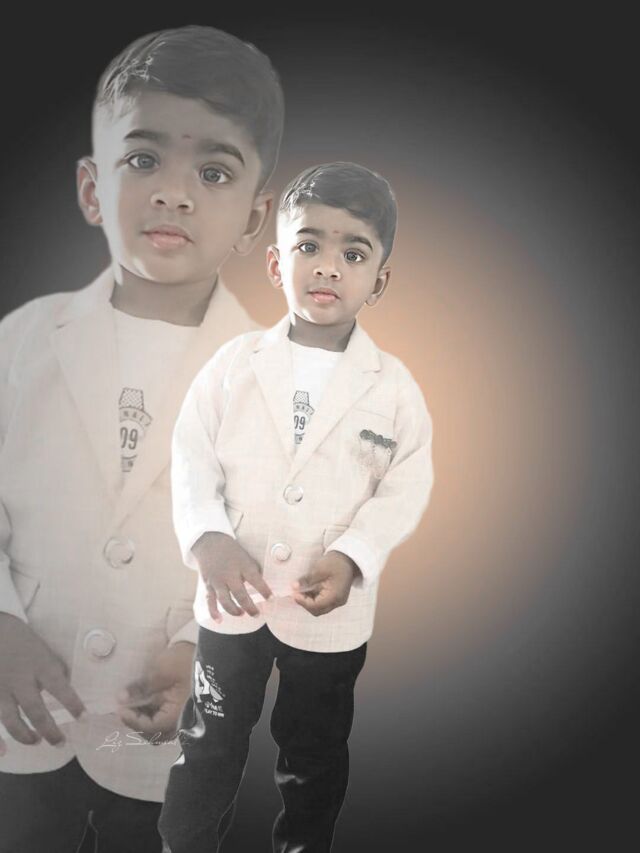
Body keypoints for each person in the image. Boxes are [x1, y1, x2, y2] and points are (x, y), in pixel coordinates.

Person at [0, 24, 284, 853]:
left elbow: (276, 540)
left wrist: (201, 650)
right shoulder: (21, 339)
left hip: (165, 734)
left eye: (214, 172)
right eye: (144, 159)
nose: (175, 193)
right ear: (92, 189)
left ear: (254, 218)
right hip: (20, 717)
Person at [159, 161, 434, 853]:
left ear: (380, 281)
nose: (328, 266)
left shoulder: (394, 388)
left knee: (313, 752)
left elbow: (406, 484)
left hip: (330, 611)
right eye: (309, 245)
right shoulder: (233, 365)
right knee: (209, 738)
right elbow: (189, 455)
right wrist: (208, 538)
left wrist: (354, 556)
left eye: (354, 253)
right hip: (233, 598)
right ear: (277, 264)